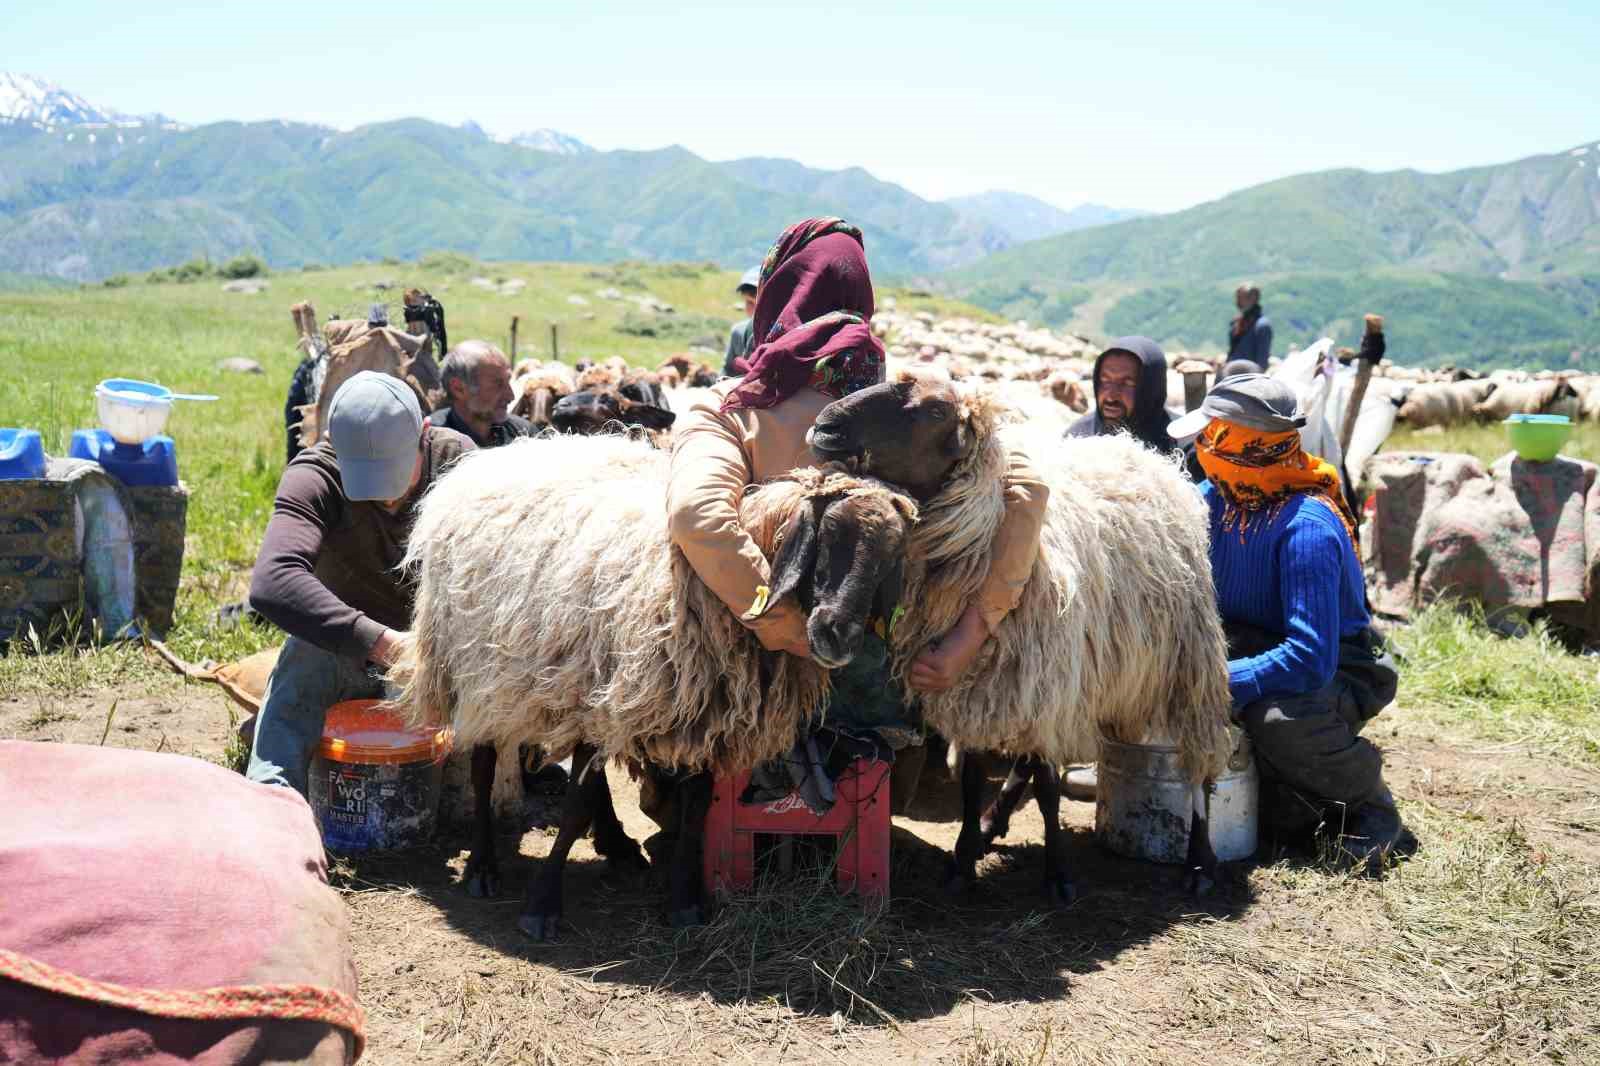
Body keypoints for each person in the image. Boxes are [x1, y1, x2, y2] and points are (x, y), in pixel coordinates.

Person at [670, 216, 1048, 703]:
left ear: (776, 293)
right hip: (884, 666)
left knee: (745, 774)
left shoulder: (727, 407)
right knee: (871, 776)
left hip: (747, 677)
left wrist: (773, 617)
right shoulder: (911, 407)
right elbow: (1028, 490)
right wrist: (971, 632)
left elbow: (695, 514)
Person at [1168, 374, 1414, 873]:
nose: (1200, 448)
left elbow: (1308, 657)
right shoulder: (1213, 501)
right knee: (1278, 820)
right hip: (1252, 645)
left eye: (1211, 436)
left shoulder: (1306, 529)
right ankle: (1295, 798)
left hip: (1337, 668)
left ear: (1242, 447)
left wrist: (1217, 684)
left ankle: (1370, 806)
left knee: (1275, 719)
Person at [246, 371, 473, 796]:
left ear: (424, 432)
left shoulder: (460, 464)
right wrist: (378, 641)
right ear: (334, 441)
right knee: (305, 651)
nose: (386, 497)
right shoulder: (316, 474)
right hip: (342, 650)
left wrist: (430, 648)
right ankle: (273, 801)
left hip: (439, 657)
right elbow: (273, 581)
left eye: (396, 473)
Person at [1065, 336, 1177, 455]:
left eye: (1127, 383)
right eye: (1105, 380)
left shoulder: (1185, 446)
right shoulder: (1077, 440)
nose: (1111, 397)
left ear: (1151, 388)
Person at [428, 339, 532, 447]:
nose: (511, 396)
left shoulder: (524, 436)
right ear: (458, 388)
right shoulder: (431, 442)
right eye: (498, 384)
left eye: (508, 381)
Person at [721, 266, 762, 378]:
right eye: (749, 302)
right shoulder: (738, 331)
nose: (753, 309)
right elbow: (728, 370)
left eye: (756, 302)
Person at [1227, 283, 1273, 368]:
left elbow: (1262, 361)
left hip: (1249, 375)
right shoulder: (1237, 323)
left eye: (1241, 298)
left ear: (1253, 299)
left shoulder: (1262, 326)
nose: (1237, 302)